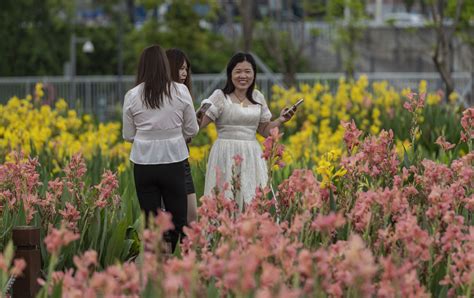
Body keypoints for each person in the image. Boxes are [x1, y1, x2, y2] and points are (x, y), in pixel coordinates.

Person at [122, 45, 198, 251]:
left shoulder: (132, 95)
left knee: (151, 222)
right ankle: (176, 263)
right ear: (165, 66)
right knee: (177, 220)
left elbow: (128, 135)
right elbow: (193, 128)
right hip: (173, 160)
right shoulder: (180, 90)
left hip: (144, 163)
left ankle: (154, 269)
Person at [198, 52, 295, 209]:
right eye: (238, 71)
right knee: (225, 199)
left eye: (248, 71)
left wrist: (281, 120)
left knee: (252, 199)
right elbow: (199, 124)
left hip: (251, 154)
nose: (243, 76)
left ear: (254, 74)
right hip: (225, 153)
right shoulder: (220, 96)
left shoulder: (258, 97)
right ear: (230, 74)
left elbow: (264, 130)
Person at [165, 48, 198, 224]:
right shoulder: (160, 96)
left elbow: (189, 131)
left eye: (186, 69)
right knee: (171, 217)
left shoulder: (184, 93)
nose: (184, 73)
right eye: (180, 68)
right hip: (164, 160)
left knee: (192, 216)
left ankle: (188, 251)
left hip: (181, 158)